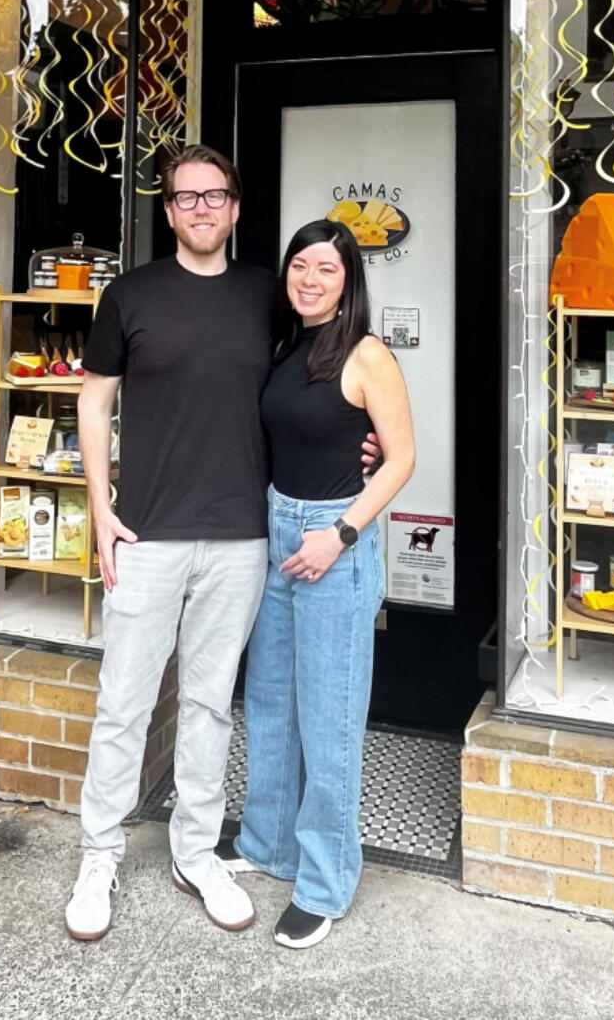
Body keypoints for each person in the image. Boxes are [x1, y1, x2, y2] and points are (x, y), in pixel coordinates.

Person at [65, 146, 378, 941]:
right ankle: (97, 855)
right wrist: (101, 508)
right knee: (124, 706)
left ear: (236, 209)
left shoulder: (266, 299)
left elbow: (315, 384)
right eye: (186, 197)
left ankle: (196, 851)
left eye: (216, 195)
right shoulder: (129, 295)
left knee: (210, 708)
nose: (202, 208)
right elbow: (94, 402)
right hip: (148, 533)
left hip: (245, 538)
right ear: (168, 212)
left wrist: (362, 445)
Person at [220, 218, 415, 950]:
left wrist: (340, 534)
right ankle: (266, 842)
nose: (309, 279)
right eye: (300, 265)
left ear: (349, 282)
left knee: (328, 718)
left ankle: (326, 880)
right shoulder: (285, 345)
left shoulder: (366, 354)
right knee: (270, 701)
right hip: (276, 532)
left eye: (326, 270)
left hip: (336, 539)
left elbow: (399, 458)